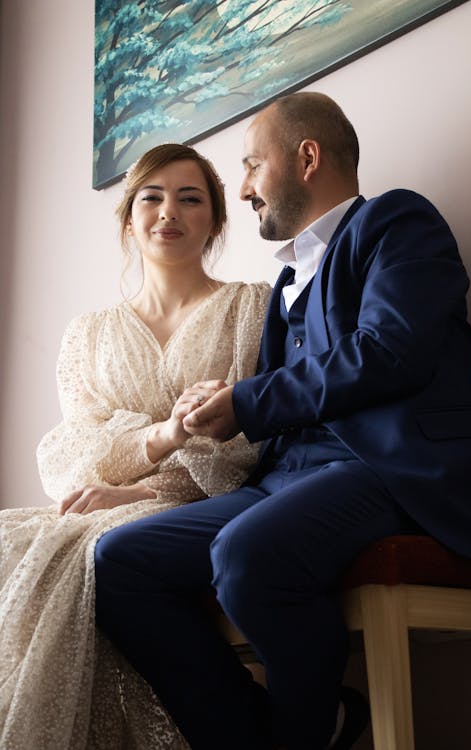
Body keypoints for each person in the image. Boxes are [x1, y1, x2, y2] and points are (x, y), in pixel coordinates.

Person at [94, 93, 471, 750]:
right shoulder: (282, 282)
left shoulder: (398, 222)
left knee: (247, 554)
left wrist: (248, 403)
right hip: (287, 479)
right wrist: (172, 460)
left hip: (388, 474)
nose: (246, 186)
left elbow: (389, 351)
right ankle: (287, 732)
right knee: (118, 562)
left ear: (307, 157)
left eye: (253, 164)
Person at [0, 143, 270, 750]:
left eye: (190, 198)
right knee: (11, 544)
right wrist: (156, 438)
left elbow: (259, 442)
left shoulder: (250, 307)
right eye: (152, 197)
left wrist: (149, 472)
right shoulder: (88, 335)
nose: (168, 212)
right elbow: (74, 450)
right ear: (128, 218)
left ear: (216, 220)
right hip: (105, 504)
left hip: (202, 508)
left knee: (93, 555)